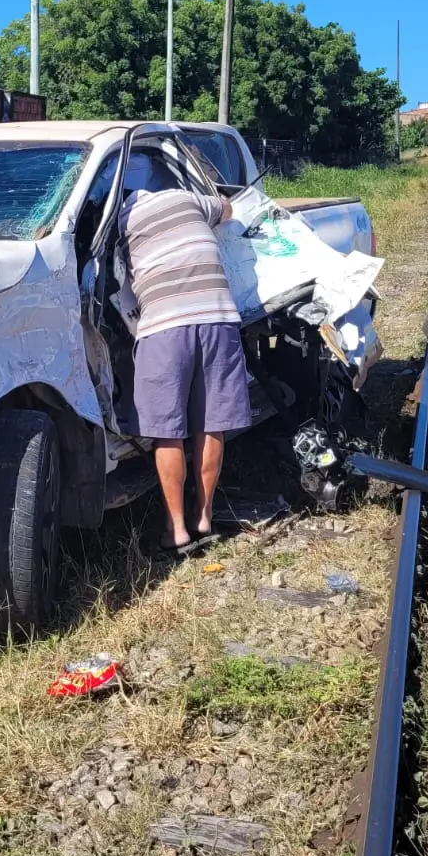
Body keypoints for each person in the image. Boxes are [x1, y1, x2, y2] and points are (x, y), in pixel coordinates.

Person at [117, 150, 253, 554]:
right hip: (217, 317)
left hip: (163, 328)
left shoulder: (119, 220)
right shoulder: (187, 198)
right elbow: (227, 208)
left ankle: (175, 530)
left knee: (167, 432)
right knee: (211, 423)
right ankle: (204, 516)